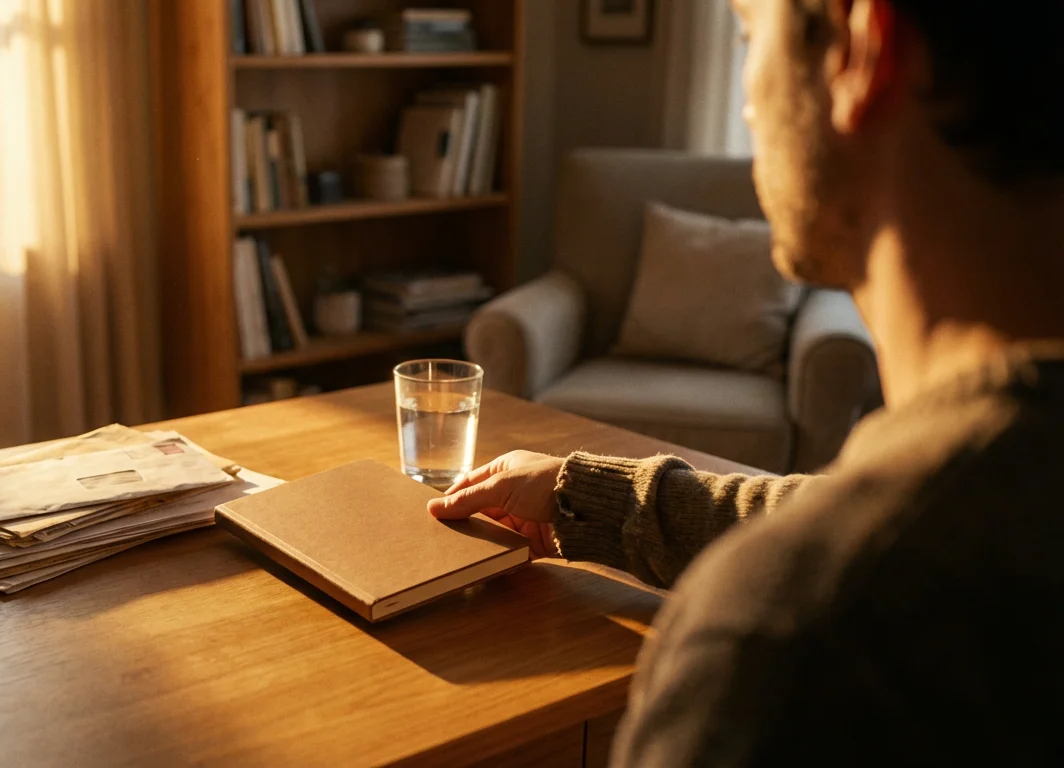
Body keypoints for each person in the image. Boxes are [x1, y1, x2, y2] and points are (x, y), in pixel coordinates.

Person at [429, 0, 1064, 763]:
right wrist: (581, 494)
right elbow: (826, 510)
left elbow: (842, 556)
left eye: (748, 36)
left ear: (862, 50)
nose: (745, 103)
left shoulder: (796, 645)